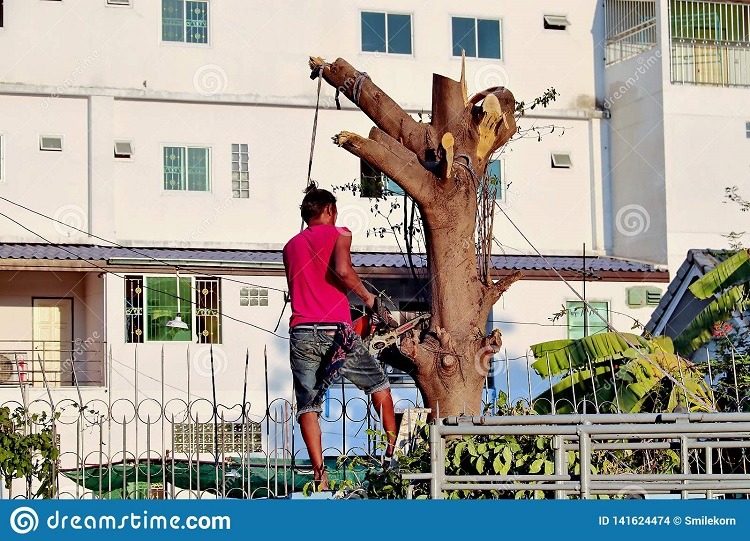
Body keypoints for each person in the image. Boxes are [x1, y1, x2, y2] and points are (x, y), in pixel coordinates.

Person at [283, 184, 397, 489]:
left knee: (308, 404)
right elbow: (343, 270)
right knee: (379, 385)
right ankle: (392, 454)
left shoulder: (289, 247)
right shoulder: (340, 232)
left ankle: (320, 477)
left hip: (302, 332)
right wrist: (369, 299)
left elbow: (307, 291)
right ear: (330, 211)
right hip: (336, 332)